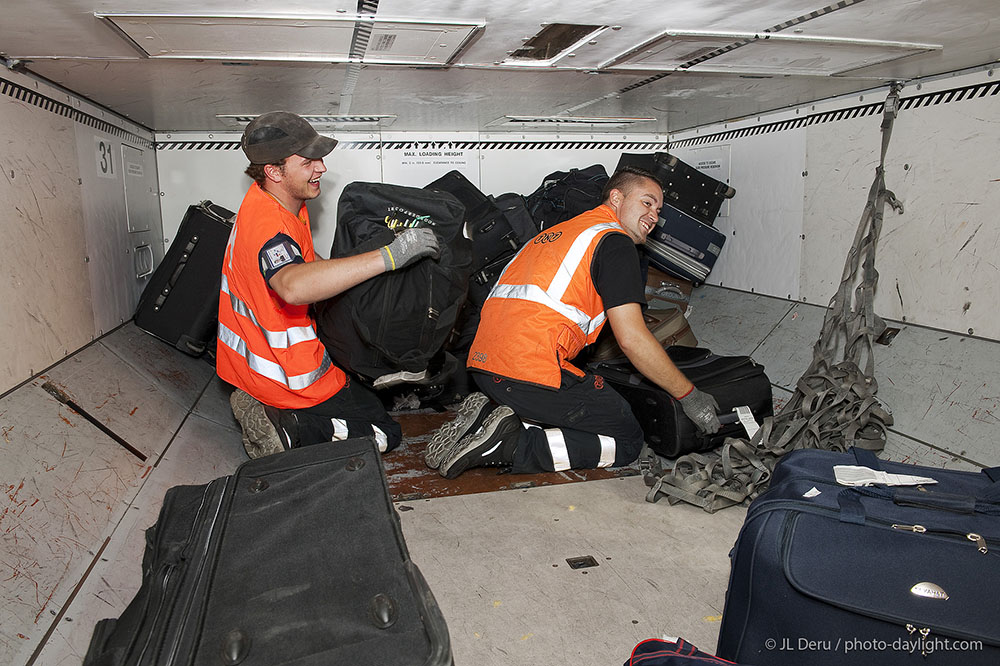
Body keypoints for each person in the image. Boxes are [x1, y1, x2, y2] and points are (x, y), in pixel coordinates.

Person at [425, 166, 722, 479]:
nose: (654, 215)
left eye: (659, 209)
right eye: (647, 203)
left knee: (578, 405)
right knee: (627, 440)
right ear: (616, 198)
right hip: (528, 372)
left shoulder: (557, 234)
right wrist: (689, 396)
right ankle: (512, 444)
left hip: (484, 368)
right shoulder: (613, 241)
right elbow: (632, 339)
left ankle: (488, 416)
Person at [217, 111, 440, 458]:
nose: (320, 168)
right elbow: (292, 286)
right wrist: (390, 256)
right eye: (307, 162)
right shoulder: (270, 226)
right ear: (274, 172)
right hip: (289, 374)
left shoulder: (272, 203)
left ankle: (276, 410)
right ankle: (294, 429)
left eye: (318, 158)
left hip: (249, 367)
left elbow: (309, 266)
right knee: (386, 431)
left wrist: (371, 282)